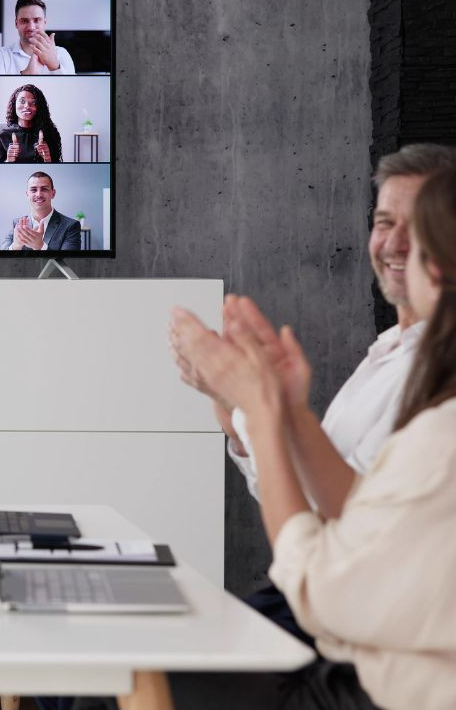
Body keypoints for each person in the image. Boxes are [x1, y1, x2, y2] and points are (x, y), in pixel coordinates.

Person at [163, 162, 456, 710]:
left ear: (434, 271)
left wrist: (263, 405)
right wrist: (269, 411)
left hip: (361, 664)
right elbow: (354, 504)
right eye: (383, 221)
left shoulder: (440, 423)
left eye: (418, 238)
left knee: (109, 681)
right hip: (351, 633)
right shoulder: (392, 353)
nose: (394, 246)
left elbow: (324, 582)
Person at [0, 0, 76, 75]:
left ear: (44, 22)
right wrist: (28, 74)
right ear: (16, 23)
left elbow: (72, 90)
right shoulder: (1, 56)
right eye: (24, 21)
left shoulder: (61, 53)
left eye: (37, 20)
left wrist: (55, 66)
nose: (31, 27)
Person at [1, 172, 81, 251]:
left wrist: (41, 247)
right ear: (27, 194)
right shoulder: (17, 223)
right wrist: (16, 246)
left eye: (44, 189)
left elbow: (69, 260)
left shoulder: (71, 225)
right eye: (33, 190)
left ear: (53, 193)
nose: (38, 194)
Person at [0, 83, 62, 163]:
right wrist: (8, 161)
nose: (27, 106)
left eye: (33, 103)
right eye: (22, 101)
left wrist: (48, 159)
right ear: (14, 104)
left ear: (39, 107)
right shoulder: (2, 136)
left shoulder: (50, 134)